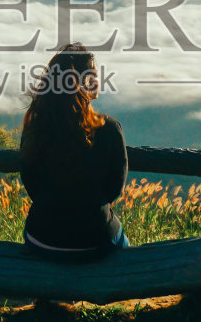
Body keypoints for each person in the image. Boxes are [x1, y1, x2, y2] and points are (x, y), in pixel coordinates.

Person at [20, 43, 130, 259]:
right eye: (95, 75)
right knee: (125, 248)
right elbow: (114, 187)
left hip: (42, 238)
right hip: (95, 239)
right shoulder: (108, 128)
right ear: (84, 82)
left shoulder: (35, 125)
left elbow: (30, 180)